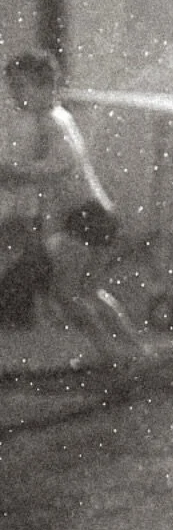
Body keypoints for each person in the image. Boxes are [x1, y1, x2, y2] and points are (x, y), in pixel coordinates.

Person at [0, 49, 150, 365]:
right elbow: (46, 175)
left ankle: (113, 355)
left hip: (86, 216)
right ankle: (134, 351)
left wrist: (16, 171)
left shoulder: (53, 122)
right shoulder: (55, 118)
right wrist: (16, 177)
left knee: (67, 294)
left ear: (45, 87)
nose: (14, 94)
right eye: (11, 86)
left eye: (20, 86)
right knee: (87, 291)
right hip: (94, 214)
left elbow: (62, 166)